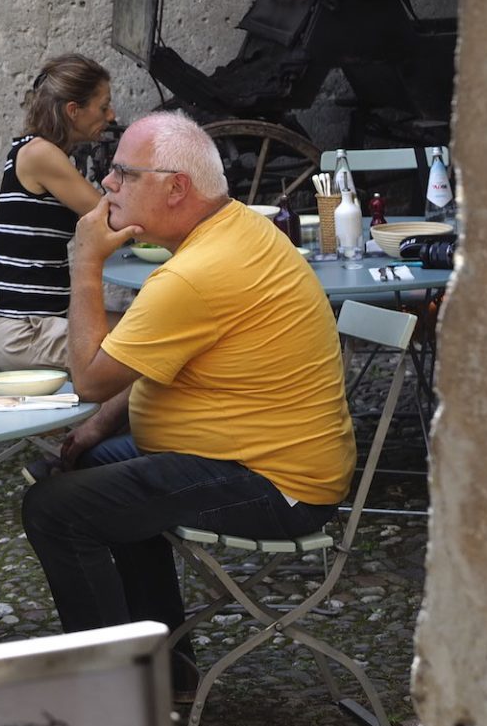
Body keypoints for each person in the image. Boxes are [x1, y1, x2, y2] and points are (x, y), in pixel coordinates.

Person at [20, 112, 356, 694]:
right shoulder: (238, 230)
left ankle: (112, 695)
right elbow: (157, 365)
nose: (107, 185)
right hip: (253, 458)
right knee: (88, 467)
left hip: (276, 483)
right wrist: (99, 428)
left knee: (54, 508)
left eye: (124, 174)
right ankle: (164, 665)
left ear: (176, 188)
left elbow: (91, 378)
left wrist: (86, 264)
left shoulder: (196, 274)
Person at [0, 54, 113, 371]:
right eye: (103, 107)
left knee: (140, 335)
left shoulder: (37, 150)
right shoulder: (40, 154)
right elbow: (107, 217)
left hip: (39, 325)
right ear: (73, 110)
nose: (111, 116)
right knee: (140, 346)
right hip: (24, 334)